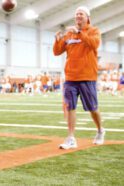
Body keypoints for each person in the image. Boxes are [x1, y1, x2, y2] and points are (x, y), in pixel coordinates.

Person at [53, 6, 105, 149]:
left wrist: (80, 33)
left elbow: (94, 44)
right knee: (70, 106)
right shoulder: (69, 34)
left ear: (87, 17)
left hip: (87, 76)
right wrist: (57, 40)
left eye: (81, 14)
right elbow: (57, 52)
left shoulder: (94, 31)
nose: (78, 16)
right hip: (70, 77)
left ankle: (100, 130)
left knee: (92, 108)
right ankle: (70, 138)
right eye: (76, 14)